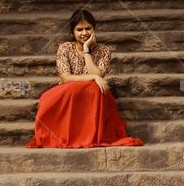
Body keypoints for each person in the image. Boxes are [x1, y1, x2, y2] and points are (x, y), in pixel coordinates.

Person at [27, 8, 143, 149]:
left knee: (94, 87)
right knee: (89, 86)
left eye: (88, 28)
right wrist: (93, 77)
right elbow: (66, 78)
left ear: (94, 29)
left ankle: (89, 135)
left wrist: (87, 50)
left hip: (93, 96)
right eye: (79, 29)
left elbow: (99, 76)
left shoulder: (103, 50)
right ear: (72, 32)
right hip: (69, 94)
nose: (84, 33)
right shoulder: (65, 48)